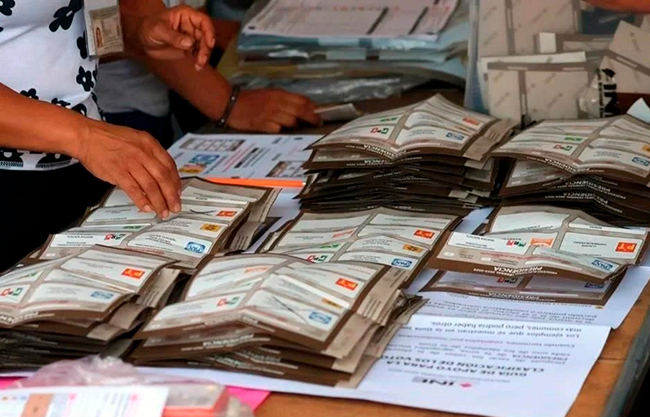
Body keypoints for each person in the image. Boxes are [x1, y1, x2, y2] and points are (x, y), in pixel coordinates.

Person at [0, 0, 216, 271]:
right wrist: (85, 136)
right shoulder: (85, 137)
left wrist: (139, 32)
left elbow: (65, 31)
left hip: (83, 166)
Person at [96, 0, 320, 147]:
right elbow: (137, 12)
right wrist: (232, 105)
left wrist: (212, 31)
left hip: (154, 101)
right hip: (116, 115)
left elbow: (175, 17)